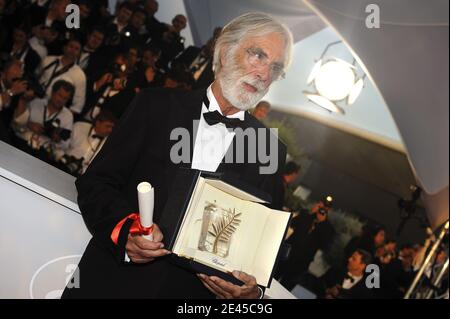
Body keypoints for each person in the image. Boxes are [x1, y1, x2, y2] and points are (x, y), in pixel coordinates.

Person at [62, 12, 293, 299]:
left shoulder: (268, 149)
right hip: (111, 285)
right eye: (258, 55)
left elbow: (259, 247)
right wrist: (126, 233)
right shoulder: (154, 105)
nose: (263, 74)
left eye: (276, 67)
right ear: (224, 52)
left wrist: (251, 293)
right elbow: (96, 183)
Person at [279, 198, 335, 290]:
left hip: (301, 262)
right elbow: (292, 223)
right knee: (272, 277)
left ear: (329, 210)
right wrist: (310, 213)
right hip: (287, 254)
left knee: (286, 287)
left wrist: (321, 222)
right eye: (321, 205)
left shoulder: (329, 228)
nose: (323, 209)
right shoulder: (306, 214)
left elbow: (325, 245)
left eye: (326, 207)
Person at [36, 37, 87, 114]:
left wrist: (58, 116)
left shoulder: (80, 75)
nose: (72, 50)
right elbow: (35, 77)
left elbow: (77, 106)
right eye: (71, 46)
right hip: (34, 101)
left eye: (76, 49)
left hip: (55, 110)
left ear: (79, 53)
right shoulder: (47, 60)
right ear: (64, 47)